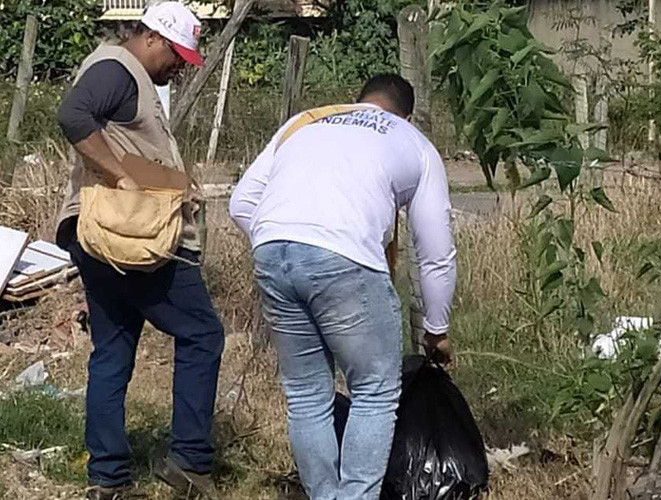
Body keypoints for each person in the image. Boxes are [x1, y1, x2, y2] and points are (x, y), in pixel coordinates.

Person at [229, 74, 457, 500]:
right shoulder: (413, 141)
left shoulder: (307, 122)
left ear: (359, 102)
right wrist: (437, 328)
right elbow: (436, 251)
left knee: (306, 395)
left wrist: (288, 241)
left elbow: (242, 201)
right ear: (405, 112)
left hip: (272, 250)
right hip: (344, 258)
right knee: (373, 391)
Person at [55, 3, 223, 499]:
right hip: (134, 236)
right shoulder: (117, 69)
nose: (179, 65)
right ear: (153, 38)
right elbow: (71, 114)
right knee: (202, 334)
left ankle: (107, 476)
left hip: (100, 233)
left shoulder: (127, 76)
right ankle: (190, 461)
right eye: (177, 54)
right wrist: (123, 177)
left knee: (114, 347)